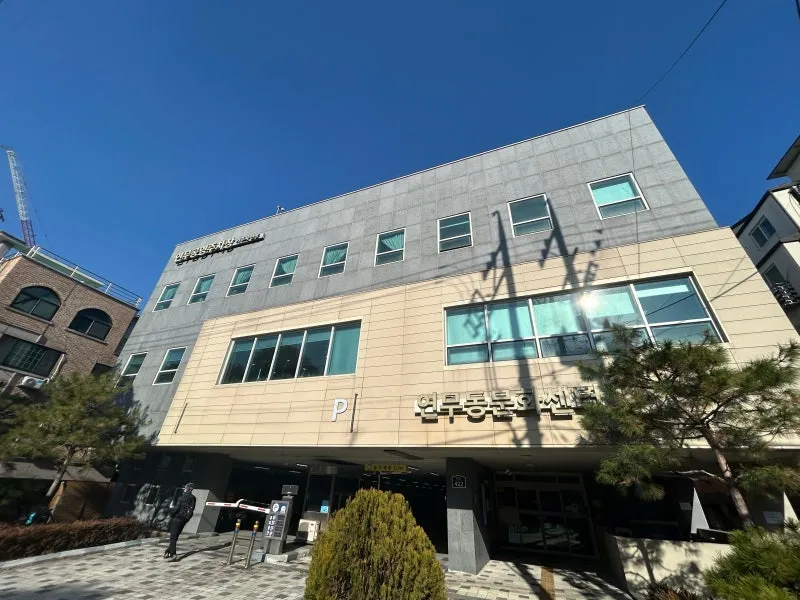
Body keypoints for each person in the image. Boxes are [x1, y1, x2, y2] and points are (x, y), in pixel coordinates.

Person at [164, 483, 196, 559]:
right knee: (176, 535)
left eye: (185, 488)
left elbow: (177, 508)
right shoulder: (193, 498)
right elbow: (191, 509)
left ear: (187, 489)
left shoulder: (181, 497)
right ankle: (167, 552)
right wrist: (187, 518)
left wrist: (170, 510)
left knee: (173, 537)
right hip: (184, 520)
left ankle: (173, 554)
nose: (184, 489)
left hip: (177, 519)